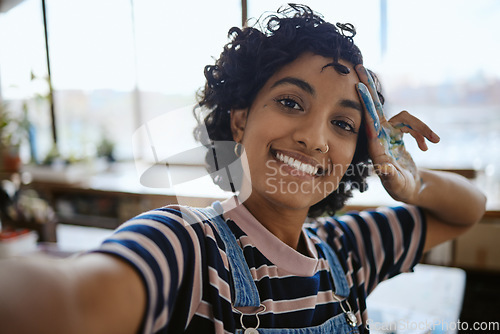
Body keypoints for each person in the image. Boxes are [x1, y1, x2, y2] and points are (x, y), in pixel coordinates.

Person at [0, 4, 486, 334]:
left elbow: (469, 210)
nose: (316, 137)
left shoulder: (349, 251)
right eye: (291, 102)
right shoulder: (188, 247)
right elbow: (72, 303)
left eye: (342, 123)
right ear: (239, 121)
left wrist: (415, 182)